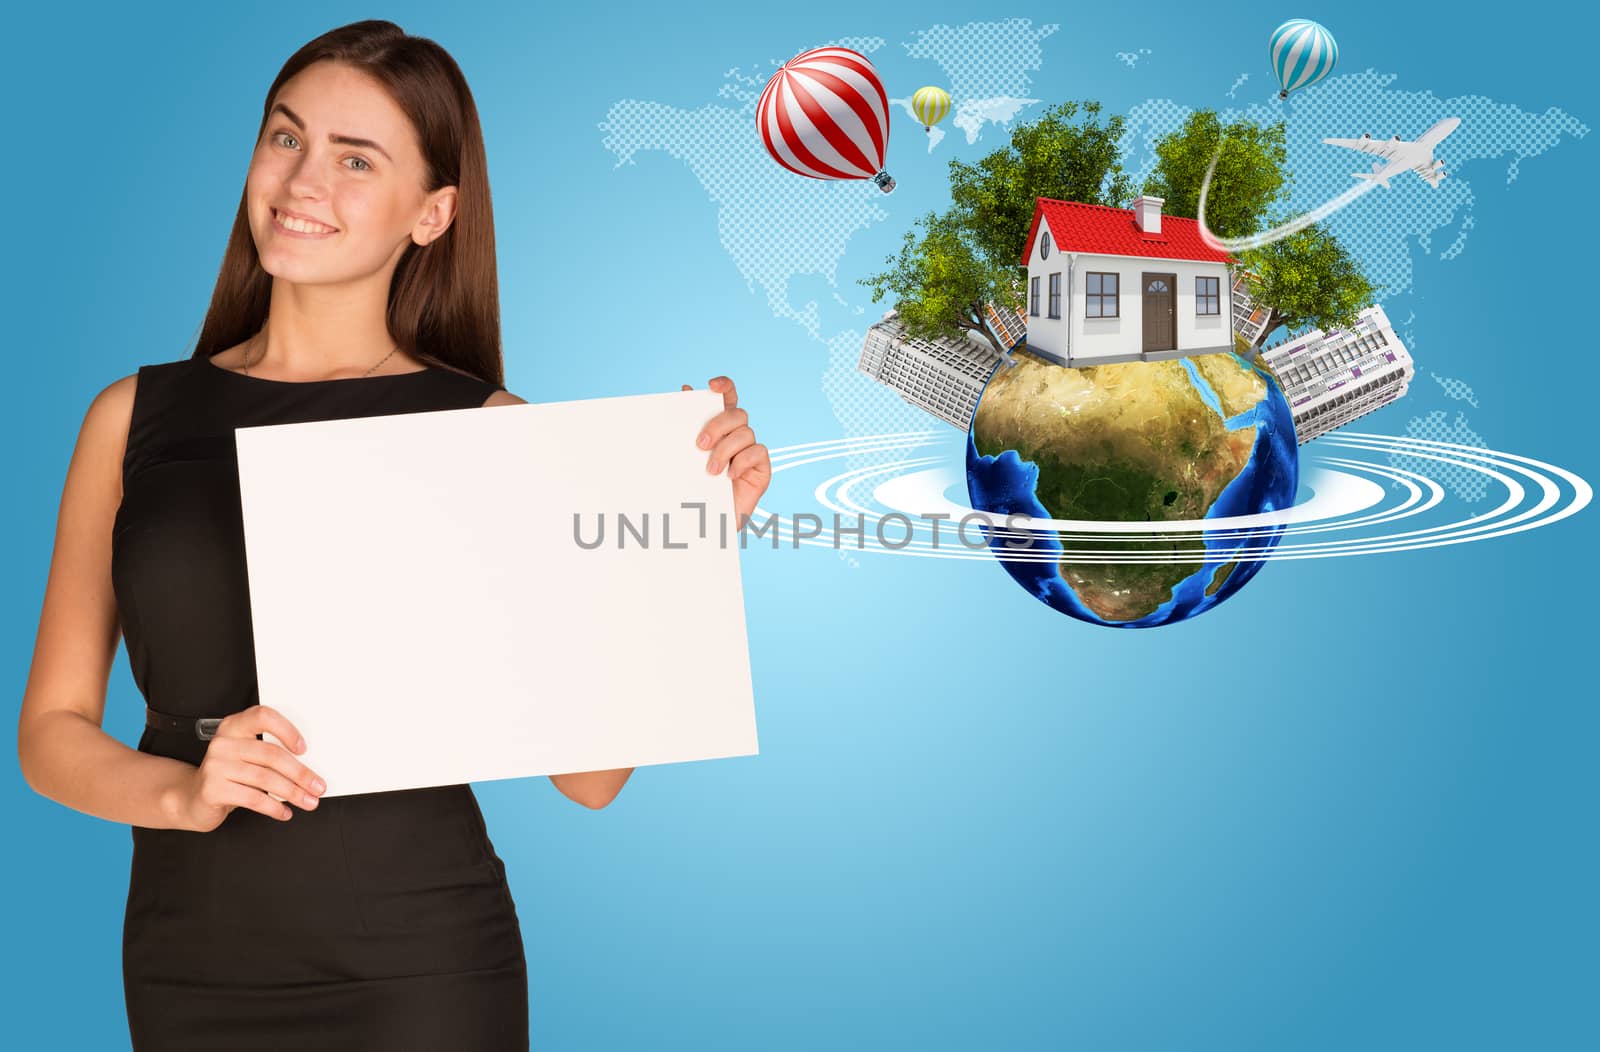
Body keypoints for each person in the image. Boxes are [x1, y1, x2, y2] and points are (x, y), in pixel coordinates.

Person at [15, 19, 772, 1051]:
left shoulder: (491, 430)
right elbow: (50, 730)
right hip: (189, 959)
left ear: (432, 213)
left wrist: (689, 541)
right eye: (285, 137)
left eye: (354, 158)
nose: (300, 180)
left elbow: (589, 780)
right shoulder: (130, 417)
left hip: (423, 966)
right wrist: (185, 793)